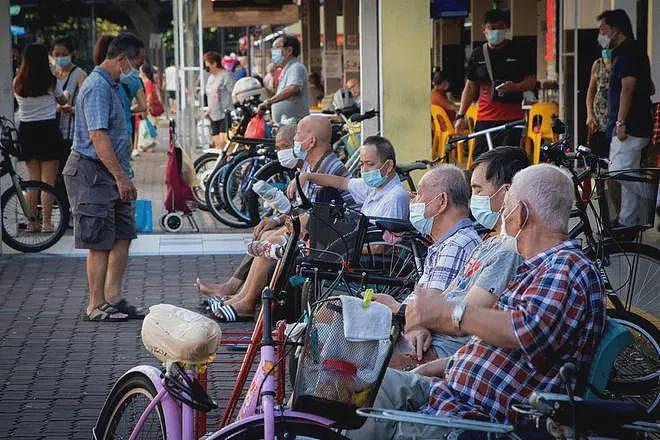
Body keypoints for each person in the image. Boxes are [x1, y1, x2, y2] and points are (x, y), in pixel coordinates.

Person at [347, 164, 606, 439]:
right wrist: (438, 366)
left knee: (356, 410)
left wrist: (449, 312)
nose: (501, 216)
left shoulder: (565, 267)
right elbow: (495, 345)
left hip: (470, 417)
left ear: (521, 213)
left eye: (505, 207)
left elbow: (526, 331)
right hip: (449, 393)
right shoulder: (536, 269)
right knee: (347, 387)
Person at [374, 147, 529, 366]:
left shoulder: (505, 252)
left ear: (506, 193)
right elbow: (440, 302)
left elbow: (462, 318)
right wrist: (419, 321)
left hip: (442, 352)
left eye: (477, 190)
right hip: (430, 341)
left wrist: (403, 311)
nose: (471, 199)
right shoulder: (488, 244)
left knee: (361, 362)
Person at [205, 115, 353, 322]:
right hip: (320, 229)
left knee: (271, 242)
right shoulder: (312, 165)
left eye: (299, 133)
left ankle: (246, 302)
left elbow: (313, 216)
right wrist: (278, 221)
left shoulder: (328, 168)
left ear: (311, 141)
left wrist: (285, 225)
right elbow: (305, 210)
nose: (295, 139)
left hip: (333, 238)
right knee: (268, 233)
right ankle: (241, 295)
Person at [62, 32, 146, 322]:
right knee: (98, 241)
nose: (137, 70)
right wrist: (121, 178)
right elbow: (98, 137)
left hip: (113, 171)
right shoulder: (97, 87)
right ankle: (95, 304)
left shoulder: (113, 85)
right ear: (122, 59)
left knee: (123, 234)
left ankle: (113, 298)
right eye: (136, 62)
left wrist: (123, 175)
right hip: (92, 172)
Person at [194, 123, 299, 298]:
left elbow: (307, 213)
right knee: (263, 233)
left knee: (267, 239)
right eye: (278, 148)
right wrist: (276, 220)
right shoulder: (302, 169)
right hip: (299, 222)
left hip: (308, 230)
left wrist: (279, 221)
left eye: (285, 147)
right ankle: (237, 290)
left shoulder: (312, 170)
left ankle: (244, 297)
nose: (281, 153)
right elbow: (299, 208)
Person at [598, 9, 654, 227]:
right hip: (634, 123)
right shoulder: (631, 51)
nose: (600, 35)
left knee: (621, 173)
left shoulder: (627, 51)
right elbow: (648, 87)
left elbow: (628, 89)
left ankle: (654, 199)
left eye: (603, 30)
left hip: (629, 126)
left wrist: (621, 122)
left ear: (616, 29)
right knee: (627, 171)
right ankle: (629, 219)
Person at [454, 9, 536, 157]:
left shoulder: (519, 50)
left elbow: (531, 81)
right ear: (484, 30)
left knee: (509, 161)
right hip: (485, 120)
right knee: (482, 160)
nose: (496, 31)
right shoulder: (478, 54)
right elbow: (471, 86)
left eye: (500, 27)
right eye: (492, 28)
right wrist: (460, 116)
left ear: (506, 28)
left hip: (512, 119)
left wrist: (514, 87)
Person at [13, 43, 69, 233]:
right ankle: (46, 222)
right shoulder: (51, 81)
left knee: (32, 180)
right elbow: (63, 101)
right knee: (48, 182)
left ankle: (31, 222)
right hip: (48, 130)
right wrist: (63, 96)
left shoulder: (17, 82)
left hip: (27, 131)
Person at [290, 136, 409, 220]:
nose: (364, 170)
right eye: (362, 164)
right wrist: (306, 176)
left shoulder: (394, 198)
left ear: (388, 166)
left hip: (370, 254)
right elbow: (341, 182)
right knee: (326, 194)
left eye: (370, 164)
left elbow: (381, 247)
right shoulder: (374, 186)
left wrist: (339, 246)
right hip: (360, 246)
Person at [258, 34, 310, 124]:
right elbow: (275, 91)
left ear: (289, 50)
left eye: (277, 48)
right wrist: (272, 74)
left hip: (294, 124)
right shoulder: (285, 70)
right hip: (285, 123)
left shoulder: (296, 67)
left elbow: (293, 89)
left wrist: (269, 102)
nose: (273, 52)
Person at [52, 37, 87, 150]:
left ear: (72, 54)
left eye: (64, 54)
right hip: (51, 131)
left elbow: (86, 105)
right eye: (56, 54)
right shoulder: (51, 73)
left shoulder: (80, 74)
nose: (60, 58)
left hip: (72, 133)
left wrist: (72, 109)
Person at [204, 51, 235, 149]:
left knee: (224, 143)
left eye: (207, 64)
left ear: (214, 64)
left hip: (224, 114)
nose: (206, 67)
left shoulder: (226, 75)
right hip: (213, 115)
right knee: (217, 144)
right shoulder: (211, 78)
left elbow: (233, 92)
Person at [586, 44, 612, 158]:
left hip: (615, 114)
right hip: (599, 116)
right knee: (599, 151)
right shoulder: (598, 64)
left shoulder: (620, 63)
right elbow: (590, 92)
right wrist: (590, 114)